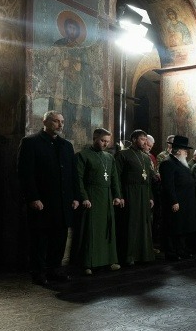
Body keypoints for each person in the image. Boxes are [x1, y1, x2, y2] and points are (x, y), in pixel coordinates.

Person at [17, 110, 79, 285]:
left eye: (62, 122)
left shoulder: (66, 145)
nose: (60, 125)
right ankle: (38, 272)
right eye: (56, 121)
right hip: (42, 202)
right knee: (39, 239)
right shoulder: (30, 142)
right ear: (45, 122)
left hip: (63, 202)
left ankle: (55, 269)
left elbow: (73, 174)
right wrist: (33, 198)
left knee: (59, 238)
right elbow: (25, 173)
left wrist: (75, 197)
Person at [74, 128, 123, 275]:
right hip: (92, 196)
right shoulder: (83, 155)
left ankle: (109, 261)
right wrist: (84, 197)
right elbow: (78, 179)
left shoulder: (109, 157)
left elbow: (114, 178)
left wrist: (117, 195)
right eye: (102, 141)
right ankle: (88, 263)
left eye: (107, 141)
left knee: (107, 229)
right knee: (91, 230)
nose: (105, 144)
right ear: (95, 138)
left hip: (107, 197)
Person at [115, 129, 156, 265]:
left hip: (144, 193)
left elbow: (148, 180)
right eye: (142, 139)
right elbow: (117, 177)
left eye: (146, 139)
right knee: (131, 224)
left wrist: (150, 197)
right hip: (129, 193)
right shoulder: (123, 154)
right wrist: (119, 195)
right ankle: (129, 256)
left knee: (144, 224)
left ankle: (143, 254)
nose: (145, 142)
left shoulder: (146, 157)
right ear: (133, 139)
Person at [158, 135, 196, 260]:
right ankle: (171, 252)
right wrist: (174, 201)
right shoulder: (167, 163)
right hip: (176, 202)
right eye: (185, 150)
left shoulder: (181, 163)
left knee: (182, 227)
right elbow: (168, 185)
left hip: (186, 202)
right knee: (173, 228)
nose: (186, 153)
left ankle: (181, 250)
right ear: (179, 151)